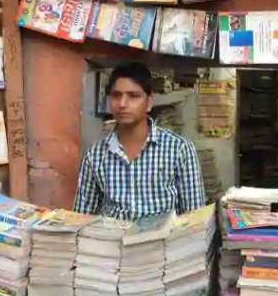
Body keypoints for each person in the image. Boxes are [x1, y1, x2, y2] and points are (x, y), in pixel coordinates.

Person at [74, 60, 206, 219]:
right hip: (112, 241)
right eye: (116, 95)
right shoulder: (94, 156)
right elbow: (81, 219)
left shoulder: (179, 150)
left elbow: (195, 220)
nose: (122, 104)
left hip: (162, 242)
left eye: (133, 96)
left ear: (149, 102)